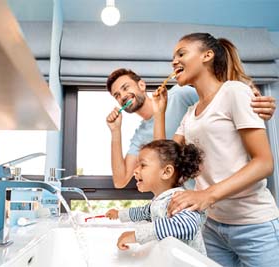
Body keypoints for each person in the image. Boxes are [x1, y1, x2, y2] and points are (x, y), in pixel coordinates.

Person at [152, 32, 279, 267]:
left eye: (181, 53)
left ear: (207, 56)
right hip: (212, 226)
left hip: (254, 225)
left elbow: (264, 163)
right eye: (173, 57)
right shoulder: (190, 113)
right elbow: (164, 162)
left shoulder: (234, 91)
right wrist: (159, 112)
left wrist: (206, 195)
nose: (174, 61)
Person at [106, 68, 276, 189]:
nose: (122, 96)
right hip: (196, 200)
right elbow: (120, 181)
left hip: (231, 188)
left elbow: (222, 95)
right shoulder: (140, 137)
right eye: (117, 96)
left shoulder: (180, 94)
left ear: (141, 85)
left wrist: (252, 97)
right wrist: (115, 131)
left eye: (125, 88)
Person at [105, 139, 206, 254]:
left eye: (142, 165)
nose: (135, 171)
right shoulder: (160, 200)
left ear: (166, 172)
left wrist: (136, 235)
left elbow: (185, 225)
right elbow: (143, 212)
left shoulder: (179, 200)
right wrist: (119, 214)